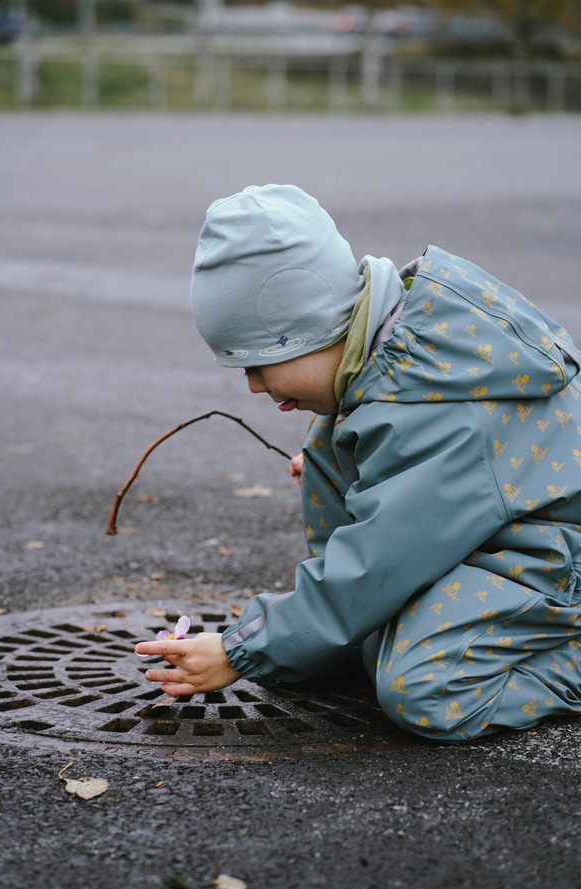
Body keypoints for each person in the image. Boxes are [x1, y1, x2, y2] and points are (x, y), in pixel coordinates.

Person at [135, 184, 581, 742]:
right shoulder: (398, 365)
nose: (253, 385)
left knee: (422, 687)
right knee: (327, 445)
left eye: (262, 362)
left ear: (312, 330)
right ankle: (345, 631)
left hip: (556, 562)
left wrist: (241, 649)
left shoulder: (444, 411)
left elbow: (381, 557)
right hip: (504, 537)